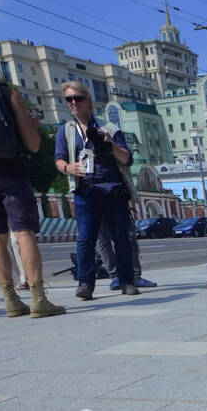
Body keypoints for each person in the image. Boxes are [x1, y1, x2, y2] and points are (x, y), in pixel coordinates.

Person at [0, 41, 64, 316]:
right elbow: (32, 145)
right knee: (24, 233)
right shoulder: (9, 94)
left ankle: (10, 301)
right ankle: (39, 300)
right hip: (12, 173)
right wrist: (33, 127)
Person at [55, 82, 138, 300]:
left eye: (78, 98)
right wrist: (68, 168)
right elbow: (58, 159)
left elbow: (127, 159)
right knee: (86, 239)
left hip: (112, 189)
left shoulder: (108, 127)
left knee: (121, 237)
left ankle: (127, 280)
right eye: (69, 99)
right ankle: (85, 284)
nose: (73, 103)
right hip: (85, 192)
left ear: (89, 101)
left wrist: (110, 144)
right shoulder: (65, 130)